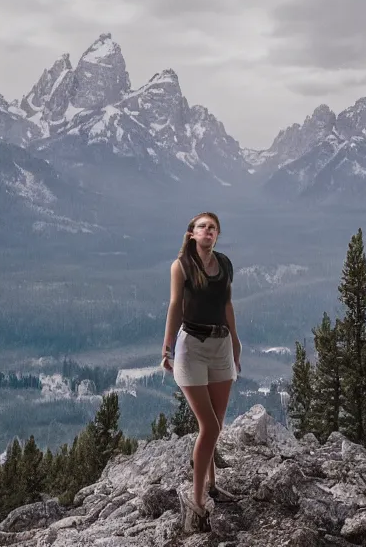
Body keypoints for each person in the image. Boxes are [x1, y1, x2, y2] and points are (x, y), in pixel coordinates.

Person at [161, 212, 242, 531]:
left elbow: (227, 305)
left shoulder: (225, 264)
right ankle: (196, 503)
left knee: (216, 425)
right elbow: (174, 305)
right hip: (191, 347)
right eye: (202, 227)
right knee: (208, 426)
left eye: (213, 227)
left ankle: (212, 485)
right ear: (192, 234)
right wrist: (167, 346)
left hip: (221, 347)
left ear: (217, 234)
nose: (208, 231)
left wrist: (236, 342)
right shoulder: (181, 265)